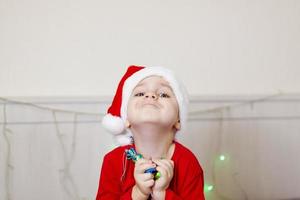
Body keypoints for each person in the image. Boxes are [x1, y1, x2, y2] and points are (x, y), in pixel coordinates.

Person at [96, 65, 205, 200]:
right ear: (126, 118)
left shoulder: (188, 163)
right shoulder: (113, 161)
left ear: (178, 119)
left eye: (164, 94)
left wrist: (162, 194)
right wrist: (138, 193)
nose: (150, 95)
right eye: (140, 93)